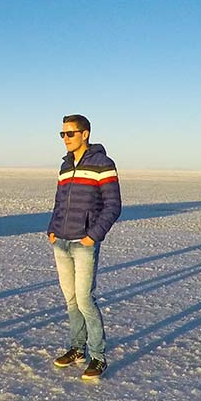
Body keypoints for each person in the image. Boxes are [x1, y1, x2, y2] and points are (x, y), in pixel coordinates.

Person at [47, 114, 121, 379]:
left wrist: (93, 235)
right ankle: (77, 348)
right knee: (70, 300)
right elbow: (59, 202)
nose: (65, 139)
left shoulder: (102, 164)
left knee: (85, 299)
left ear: (85, 134)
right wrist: (52, 229)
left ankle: (98, 356)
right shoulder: (66, 166)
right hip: (62, 241)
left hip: (83, 242)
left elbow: (113, 205)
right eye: (62, 134)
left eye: (70, 133)